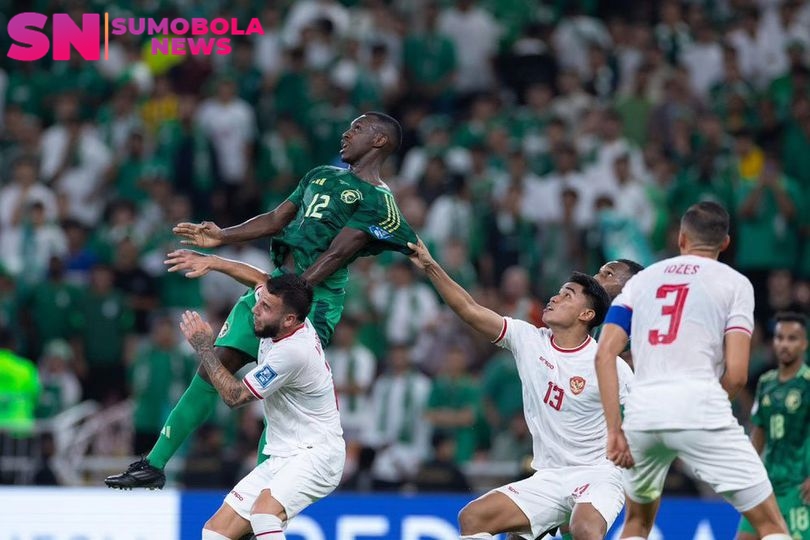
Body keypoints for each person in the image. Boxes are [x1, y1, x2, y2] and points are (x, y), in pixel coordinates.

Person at [106, 112, 417, 489]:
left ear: (380, 141)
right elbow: (275, 219)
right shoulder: (321, 175)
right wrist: (222, 236)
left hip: (311, 302)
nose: (347, 132)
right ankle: (153, 465)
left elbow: (336, 254)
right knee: (214, 368)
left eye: (358, 128)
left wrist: (287, 296)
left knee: (277, 401)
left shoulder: (379, 201)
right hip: (272, 286)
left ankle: (262, 494)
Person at [408, 239, 634, 540]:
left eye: (567, 295)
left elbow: (645, 418)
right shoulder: (528, 339)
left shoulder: (608, 363)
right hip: (549, 476)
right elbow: (469, 309)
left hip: (598, 473)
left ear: (586, 315)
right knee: (472, 518)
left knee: (584, 528)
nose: (554, 298)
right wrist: (430, 265)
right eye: (558, 291)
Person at [594, 201, 792, 540]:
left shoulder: (642, 281)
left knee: (637, 524)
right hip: (701, 405)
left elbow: (604, 354)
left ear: (681, 239)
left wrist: (615, 429)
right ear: (725, 243)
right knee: (770, 525)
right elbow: (738, 374)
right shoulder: (735, 283)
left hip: (643, 414)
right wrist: (705, 408)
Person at [180, 274, 344, 540]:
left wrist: (204, 348)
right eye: (261, 302)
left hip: (317, 455)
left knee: (263, 515)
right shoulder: (279, 312)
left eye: (265, 307)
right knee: (215, 533)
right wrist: (212, 260)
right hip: (283, 456)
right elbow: (258, 278)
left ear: (289, 320)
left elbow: (234, 396)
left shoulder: (293, 352)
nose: (255, 309)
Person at [737, 312, 810, 540]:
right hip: (767, 486)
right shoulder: (766, 383)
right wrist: (746, 472)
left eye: (792, 338)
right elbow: (759, 434)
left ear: (804, 343)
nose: (785, 344)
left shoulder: (808, 383)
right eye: (780, 338)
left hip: (800, 487)